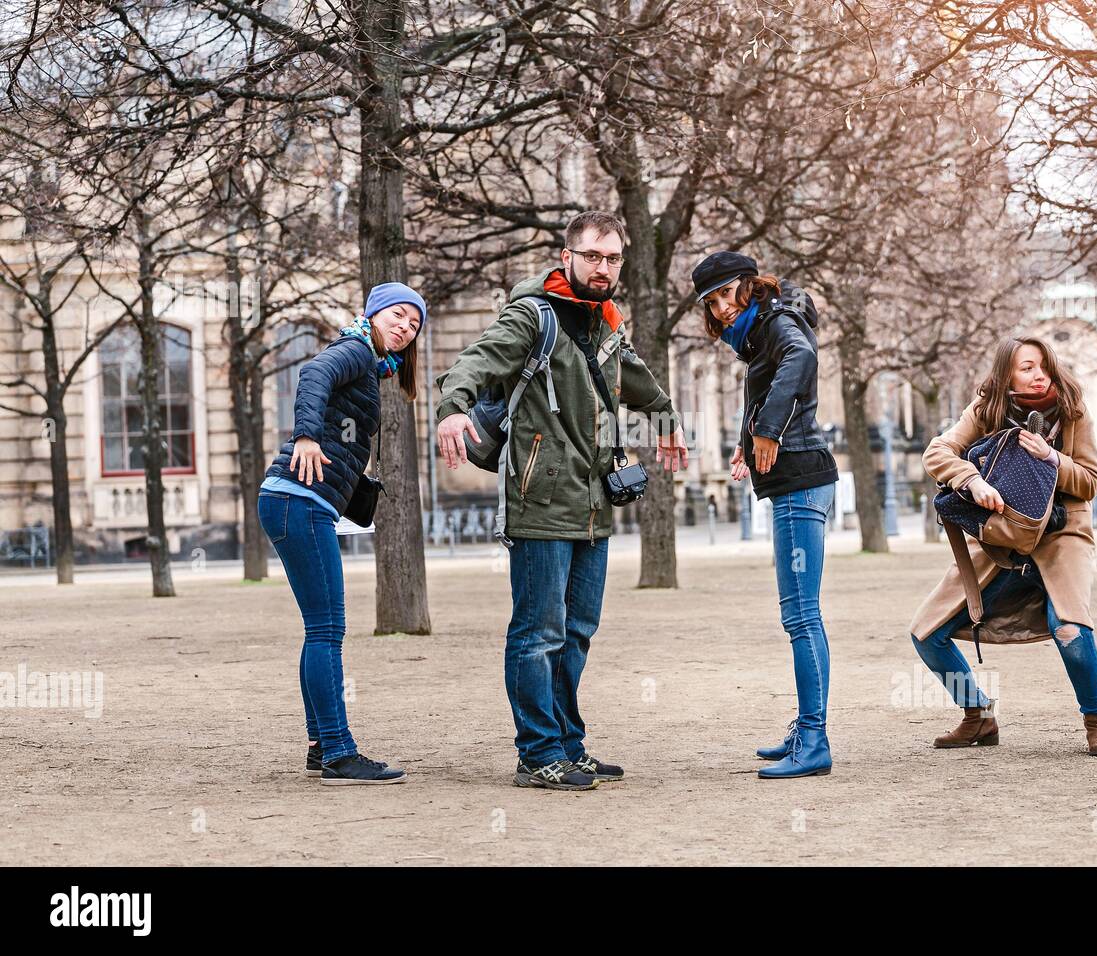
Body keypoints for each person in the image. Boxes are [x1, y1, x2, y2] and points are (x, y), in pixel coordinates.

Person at [435, 211, 689, 791]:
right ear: (568, 256)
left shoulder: (606, 324)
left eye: (612, 259)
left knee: (576, 632)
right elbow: (475, 360)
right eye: (592, 257)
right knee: (537, 633)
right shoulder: (533, 316)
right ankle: (537, 753)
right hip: (540, 501)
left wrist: (667, 419)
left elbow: (637, 378)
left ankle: (569, 744)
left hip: (595, 503)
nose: (602, 268)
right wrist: (453, 409)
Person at [909, 336, 1097, 756]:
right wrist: (972, 480)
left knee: (1070, 629)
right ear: (1007, 373)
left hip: (1062, 535)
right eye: (1027, 367)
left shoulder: (1073, 409)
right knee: (926, 633)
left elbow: (1091, 482)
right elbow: (938, 451)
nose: (1038, 374)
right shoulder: (987, 407)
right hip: (1001, 537)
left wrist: (1052, 459)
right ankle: (978, 717)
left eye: (1043, 365)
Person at [258, 282, 425, 785]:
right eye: (397, 315)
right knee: (327, 631)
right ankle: (338, 752)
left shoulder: (372, 364)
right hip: (298, 501)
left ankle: (319, 745)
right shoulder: (353, 350)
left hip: (297, 503)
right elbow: (312, 375)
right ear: (372, 314)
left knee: (320, 630)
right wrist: (307, 435)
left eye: (414, 324)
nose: (404, 327)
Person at [694, 251, 839, 779]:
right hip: (797, 481)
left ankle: (815, 738)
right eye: (710, 302)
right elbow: (767, 388)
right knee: (800, 614)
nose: (720, 309)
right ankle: (806, 728)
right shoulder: (764, 332)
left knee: (801, 616)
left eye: (724, 296)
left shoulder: (779, 324)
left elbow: (801, 361)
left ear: (746, 286)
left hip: (801, 480)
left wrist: (768, 431)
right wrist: (744, 441)